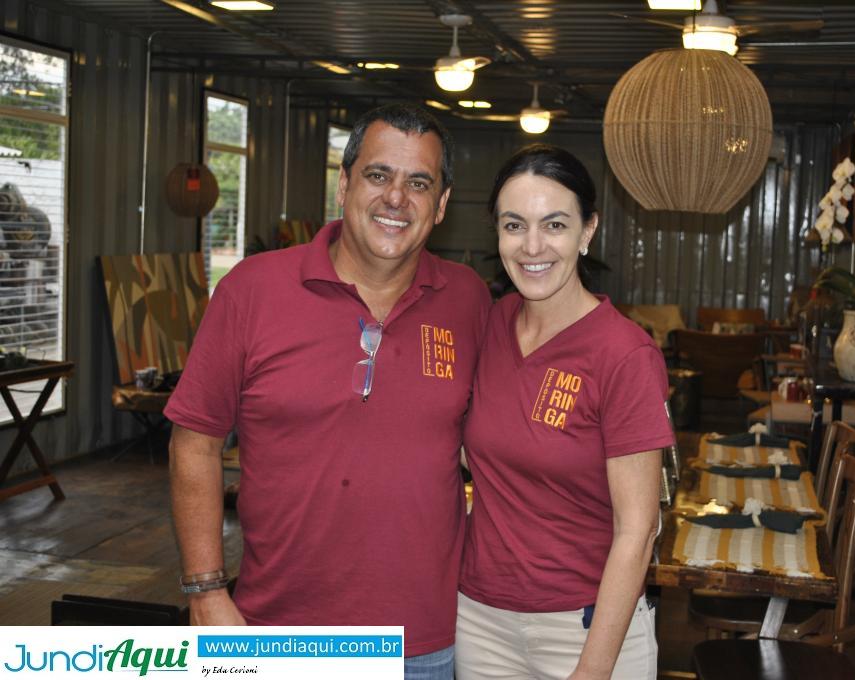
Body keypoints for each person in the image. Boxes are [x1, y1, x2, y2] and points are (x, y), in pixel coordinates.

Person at [165, 103, 491, 679]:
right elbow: (194, 443)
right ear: (344, 185)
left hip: (421, 643)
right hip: (273, 631)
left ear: (441, 205)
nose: (397, 198)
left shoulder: (468, 300)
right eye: (378, 175)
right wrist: (206, 590)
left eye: (419, 183)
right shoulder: (252, 290)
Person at [456, 145, 674, 679]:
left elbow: (638, 529)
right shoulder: (489, 325)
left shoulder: (624, 354)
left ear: (587, 231)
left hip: (587, 629)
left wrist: (592, 670)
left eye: (554, 224)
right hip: (480, 622)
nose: (532, 246)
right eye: (514, 225)